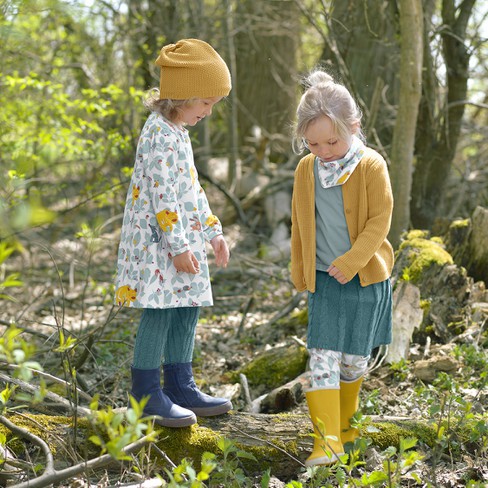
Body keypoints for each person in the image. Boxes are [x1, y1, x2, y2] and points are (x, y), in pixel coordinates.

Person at [114, 39, 233, 428]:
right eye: (206, 102)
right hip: (157, 245)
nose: (209, 112)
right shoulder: (158, 134)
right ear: (182, 95)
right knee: (160, 311)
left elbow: (192, 189)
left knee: (187, 307)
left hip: (183, 240)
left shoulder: (178, 131)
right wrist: (179, 246)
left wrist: (213, 231)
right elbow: (162, 193)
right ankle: (147, 395)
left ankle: (180, 386)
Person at [290, 69, 394, 466]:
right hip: (324, 279)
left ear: (354, 125)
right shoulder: (307, 169)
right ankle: (326, 442)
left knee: (353, 360)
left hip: (365, 278)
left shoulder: (370, 165)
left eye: (331, 140)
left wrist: (352, 261)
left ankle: (347, 427)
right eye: (312, 143)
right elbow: (301, 222)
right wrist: (299, 266)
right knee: (321, 354)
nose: (324, 150)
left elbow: (379, 221)